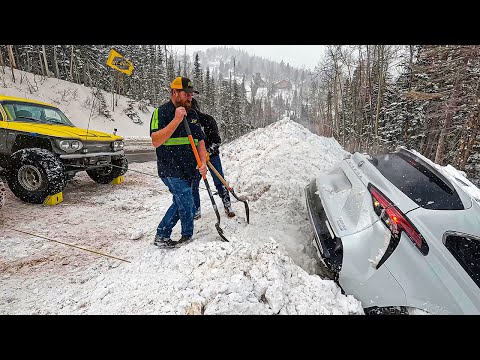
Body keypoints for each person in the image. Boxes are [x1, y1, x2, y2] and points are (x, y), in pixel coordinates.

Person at [150, 77, 207, 248]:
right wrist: (176, 120)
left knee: (181, 201)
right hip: (170, 168)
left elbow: (200, 141)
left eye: (191, 94)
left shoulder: (193, 114)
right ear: (174, 92)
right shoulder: (160, 112)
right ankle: (171, 235)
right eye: (186, 94)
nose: (190, 97)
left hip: (190, 168)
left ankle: (182, 235)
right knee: (186, 199)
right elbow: (155, 141)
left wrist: (203, 162)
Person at [191, 98, 235, 219]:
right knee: (193, 184)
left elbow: (217, 141)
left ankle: (227, 204)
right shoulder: (187, 124)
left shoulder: (208, 120)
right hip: (196, 159)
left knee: (219, 182)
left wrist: (208, 152)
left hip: (213, 156)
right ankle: (196, 209)